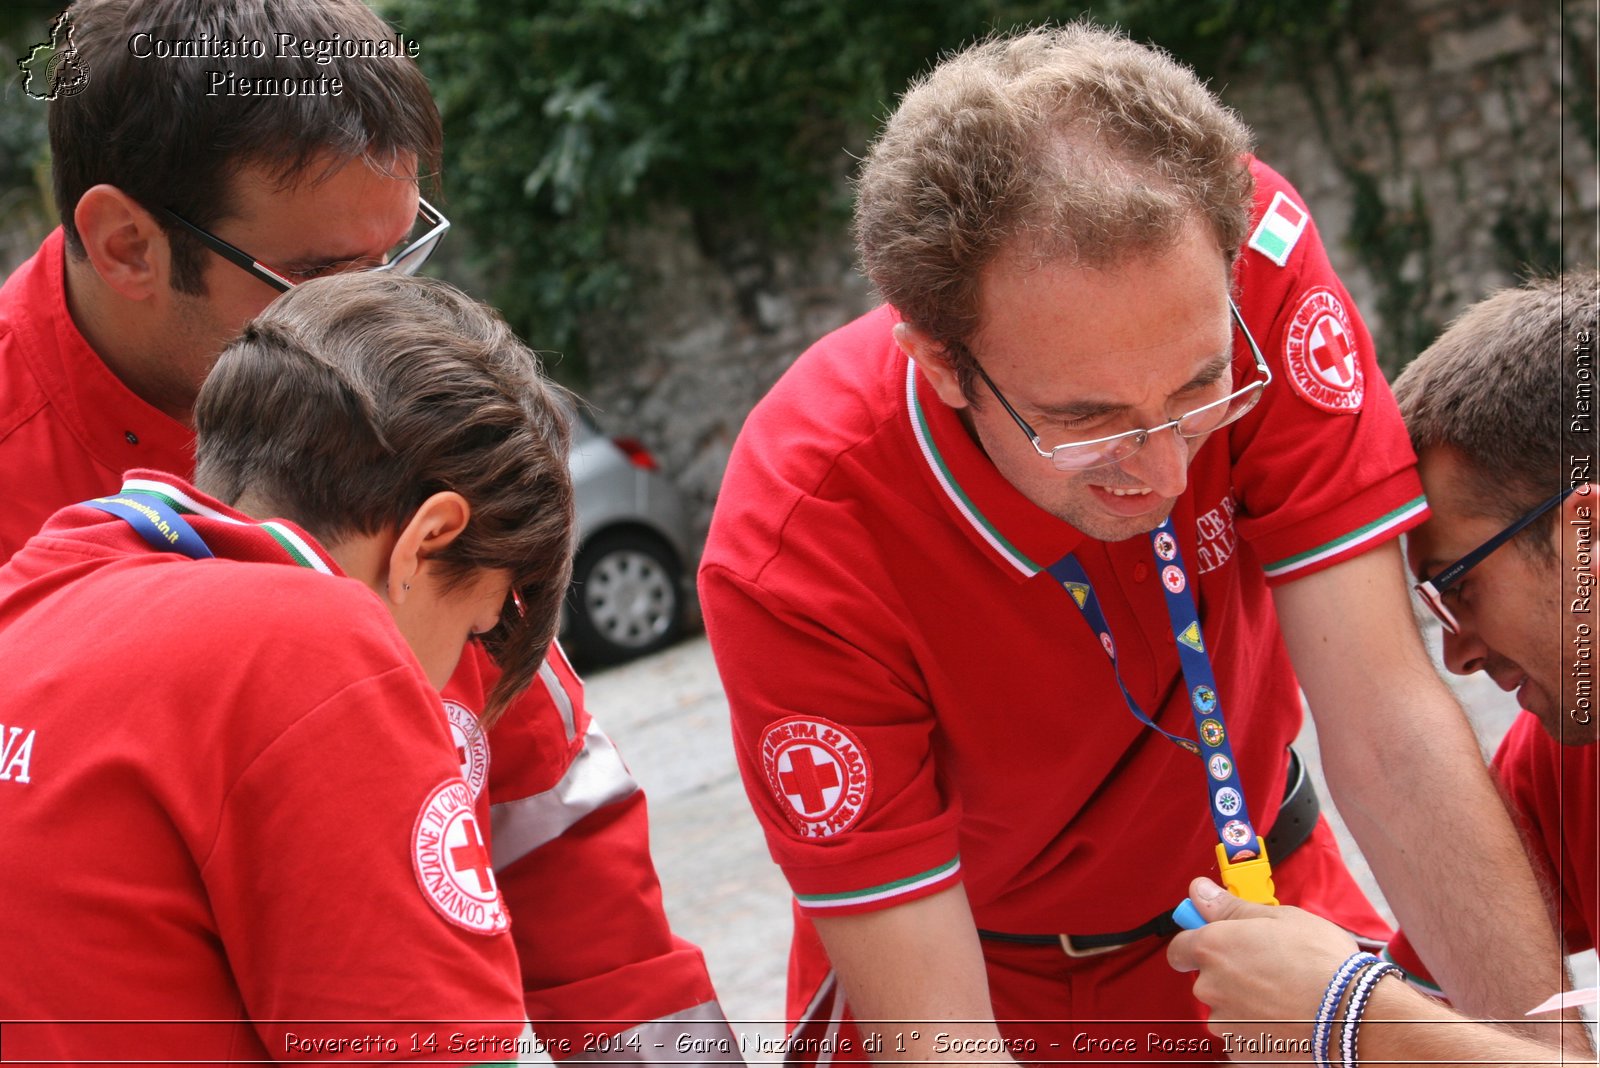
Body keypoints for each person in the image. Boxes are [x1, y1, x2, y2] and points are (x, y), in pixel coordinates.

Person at [698, 21, 1566, 1061]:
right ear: (939, 360)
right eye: (1086, 420)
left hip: (1265, 907)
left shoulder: (1255, 257)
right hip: (988, 972)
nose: (1163, 473)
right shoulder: (797, 540)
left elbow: (1383, 720)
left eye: (1202, 387)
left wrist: (1542, 1048)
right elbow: (935, 1030)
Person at [0, 0, 735, 1056]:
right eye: (319, 276)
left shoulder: (379, 396)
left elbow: (558, 826)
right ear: (127, 243)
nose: (374, 312)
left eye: (400, 254)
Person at [0, 272, 567, 1061]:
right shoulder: (313, 645)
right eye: (478, 629)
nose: (450, 682)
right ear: (426, 540)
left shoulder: (39, 588)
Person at [1168, 271, 1599, 1064]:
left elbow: (1390, 1017)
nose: (1458, 653)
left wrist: (1355, 1017)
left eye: (1458, 586)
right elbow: (1434, 989)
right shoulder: (1560, 767)